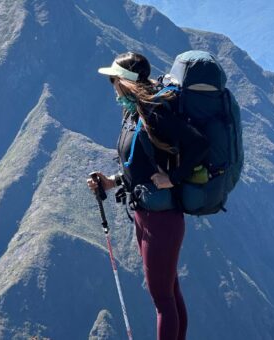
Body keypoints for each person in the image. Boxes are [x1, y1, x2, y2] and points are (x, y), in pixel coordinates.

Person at [87, 52, 210, 340]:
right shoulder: (134, 112)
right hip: (147, 214)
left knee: (162, 299)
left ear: (125, 82)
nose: (111, 86)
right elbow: (140, 164)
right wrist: (111, 182)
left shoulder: (154, 112)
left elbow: (199, 144)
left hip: (162, 220)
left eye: (113, 80)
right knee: (169, 291)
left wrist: (173, 178)